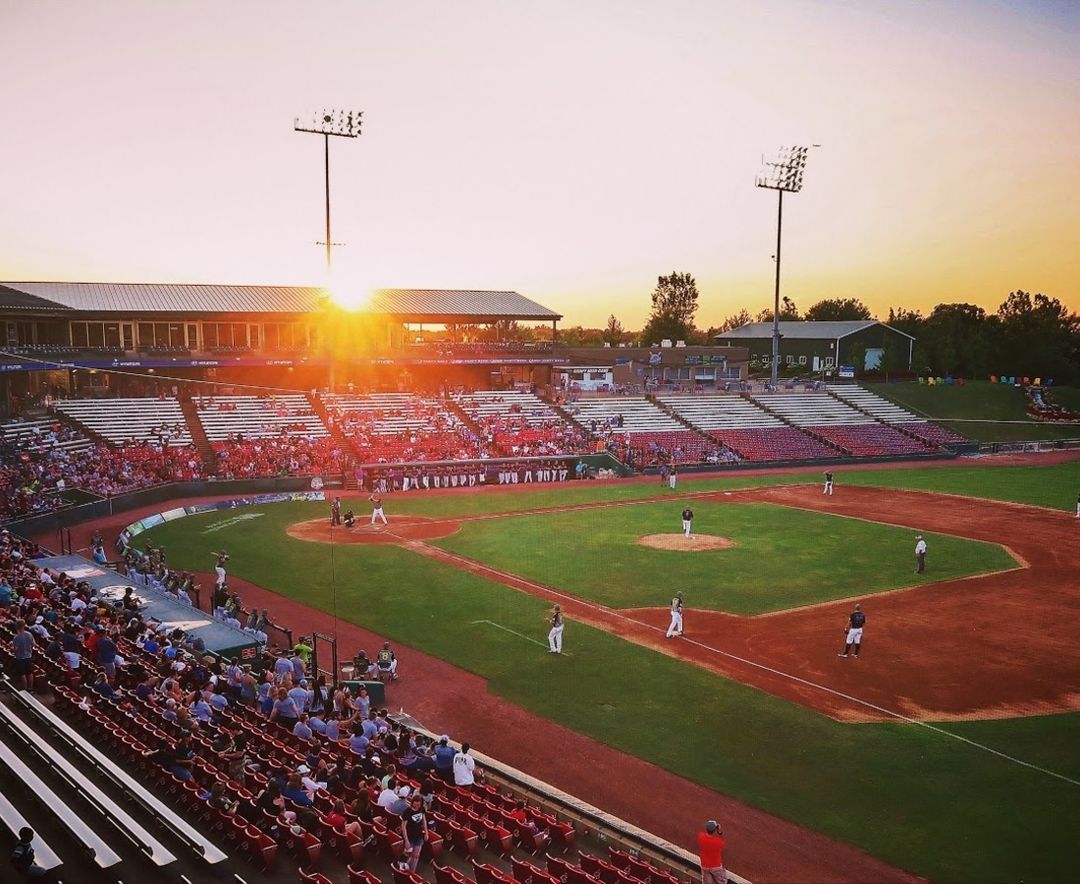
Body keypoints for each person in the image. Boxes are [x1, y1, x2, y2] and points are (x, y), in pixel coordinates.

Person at [401, 793, 429, 872]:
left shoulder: (422, 809)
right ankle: (402, 871)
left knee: (416, 855)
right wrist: (406, 840)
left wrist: (426, 833)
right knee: (407, 855)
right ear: (412, 802)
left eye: (419, 804)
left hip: (419, 836)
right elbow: (403, 826)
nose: (417, 806)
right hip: (409, 837)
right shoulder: (407, 812)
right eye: (415, 803)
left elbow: (424, 821)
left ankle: (412, 872)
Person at [697, 820, 727, 884]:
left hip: (704, 866)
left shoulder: (701, 836)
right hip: (716, 867)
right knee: (722, 882)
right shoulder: (718, 842)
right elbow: (722, 842)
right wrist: (719, 832)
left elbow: (704, 834)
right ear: (714, 830)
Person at [12, 620, 35, 691]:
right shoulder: (29, 634)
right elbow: (34, 644)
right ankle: (30, 688)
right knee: (29, 673)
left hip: (20, 658)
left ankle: (25, 689)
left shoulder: (16, 638)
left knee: (22, 674)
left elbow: (15, 649)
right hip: (28, 656)